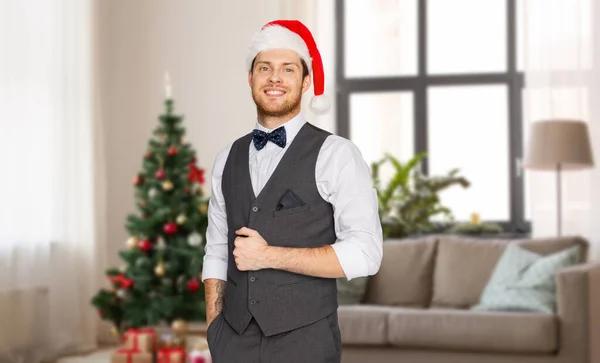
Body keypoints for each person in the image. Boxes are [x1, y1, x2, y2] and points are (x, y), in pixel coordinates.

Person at [201, 19, 383, 363]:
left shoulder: (337, 154)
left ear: (306, 80)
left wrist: (269, 256)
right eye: (264, 68)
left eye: (288, 68)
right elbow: (216, 251)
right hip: (232, 341)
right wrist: (215, 331)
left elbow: (367, 254)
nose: (275, 78)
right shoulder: (227, 157)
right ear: (251, 78)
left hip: (306, 342)